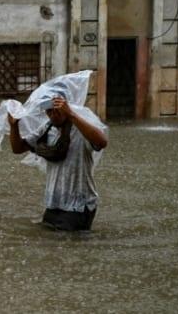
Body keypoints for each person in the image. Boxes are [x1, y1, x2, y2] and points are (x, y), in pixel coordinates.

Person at [7, 90, 108, 231]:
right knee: (49, 244)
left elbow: (102, 142)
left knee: (68, 246)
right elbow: (18, 148)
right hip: (54, 203)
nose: (53, 115)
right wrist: (14, 126)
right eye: (49, 112)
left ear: (65, 108)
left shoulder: (80, 129)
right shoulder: (48, 128)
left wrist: (71, 114)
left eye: (57, 111)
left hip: (79, 206)